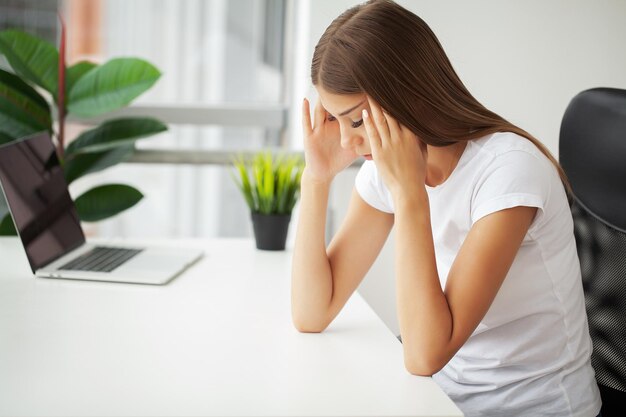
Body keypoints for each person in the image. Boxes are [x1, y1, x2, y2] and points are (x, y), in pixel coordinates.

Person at [290, 1, 603, 416]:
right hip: (442, 400)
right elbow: (312, 312)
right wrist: (316, 179)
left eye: (357, 121)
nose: (347, 142)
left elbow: (424, 355)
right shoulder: (386, 173)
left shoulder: (509, 172)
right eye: (336, 120)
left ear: (404, 94)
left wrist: (409, 195)